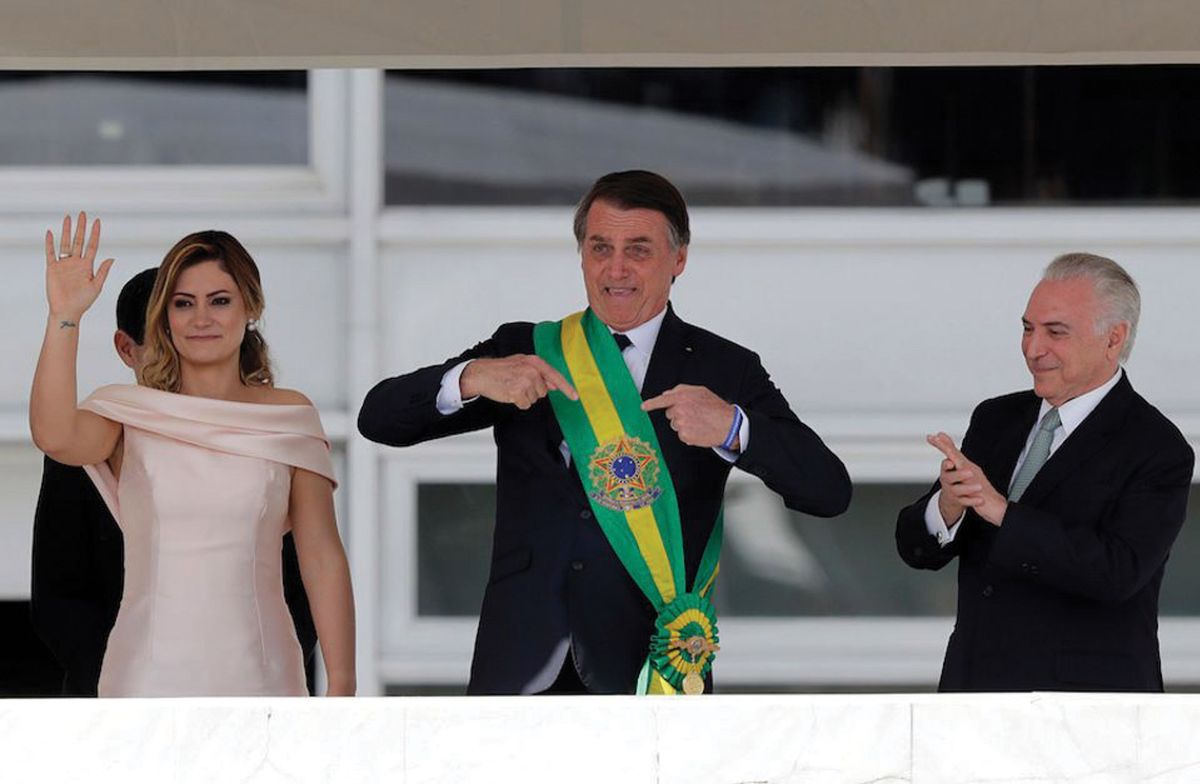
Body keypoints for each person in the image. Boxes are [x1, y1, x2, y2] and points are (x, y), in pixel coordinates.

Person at [358, 170, 851, 695]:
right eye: (600, 248)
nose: (615, 269)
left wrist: (734, 427)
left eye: (638, 249)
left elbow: (829, 490)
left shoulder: (724, 368)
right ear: (581, 254)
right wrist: (476, 376)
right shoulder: (530, 348)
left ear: (678, 259)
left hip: (649, 666)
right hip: (520, 661)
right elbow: (378, 419)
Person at [30, 216, 355, 697]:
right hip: (144, 675)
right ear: (165, 316)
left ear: (250, 307)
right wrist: (65, 316)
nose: (201, 319)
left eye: (219, 301)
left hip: (263, 674)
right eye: (184, 304)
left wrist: (343, 685)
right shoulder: (129, 414)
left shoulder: (290, 415)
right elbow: (54, 435)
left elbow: (322, 557)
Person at [896, 252, 1193, 692]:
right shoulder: (996, 418)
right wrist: (950, 503)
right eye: (1028, 328)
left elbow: (1118, 573)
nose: (1034, 349)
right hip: (975, 694)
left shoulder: (1157, 447)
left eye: (1056, 332)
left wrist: (1002, 512)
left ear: (1114, 339)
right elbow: (917, 549)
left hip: (1086, 709)